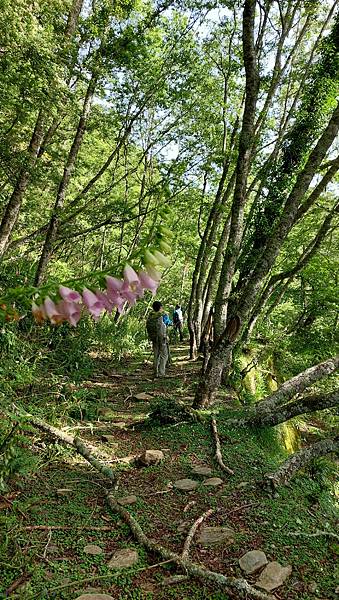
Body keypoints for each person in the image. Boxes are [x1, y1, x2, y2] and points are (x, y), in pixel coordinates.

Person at [146, 301, 169, 377]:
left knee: (156, 355)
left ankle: (155, 372)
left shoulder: (150, 316)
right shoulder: (162, 315)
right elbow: (167, 323)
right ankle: (161, 373)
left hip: (154, 337)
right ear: (160, 307)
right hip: (162, 337)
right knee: (164, 355)